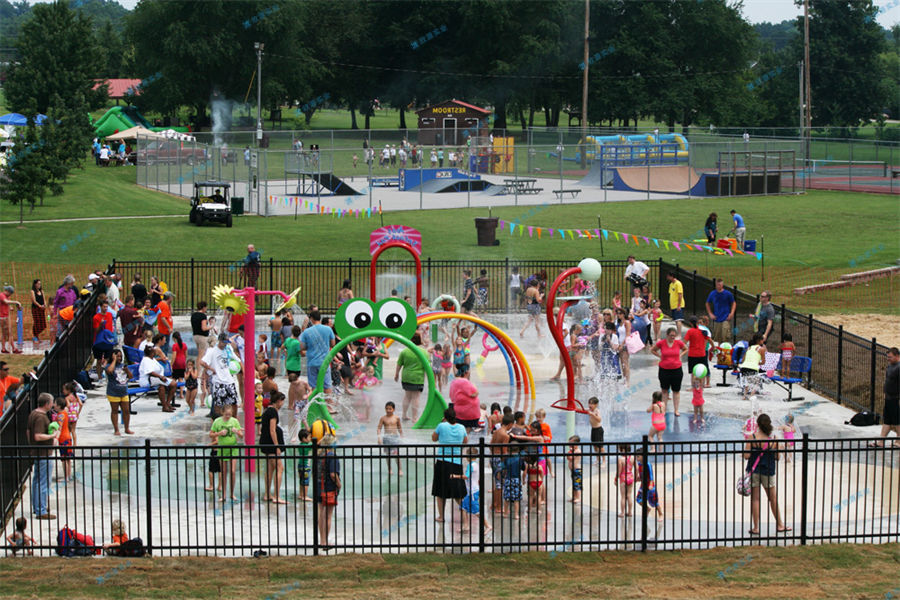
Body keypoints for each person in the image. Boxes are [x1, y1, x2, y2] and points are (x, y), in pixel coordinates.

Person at [744, 413, 790, 534]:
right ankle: (780, 524)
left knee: (755, 499)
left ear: (757, 425)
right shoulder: (774, 439)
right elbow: (777, 457)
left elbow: (746, 456)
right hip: (768, 471)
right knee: (773, 498)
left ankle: (756, 527)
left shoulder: (752, 438)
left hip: (754, 471)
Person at [431, 407, 468, 523]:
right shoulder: (461, 427)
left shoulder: (441, 426)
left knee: (440, 491)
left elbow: (433, 438)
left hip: (442, 461)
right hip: (456, 462)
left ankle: (441, 516)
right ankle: (465, 513)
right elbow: (465, 441)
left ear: (445, 417)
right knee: (457, 491)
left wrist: (442, 423)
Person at [27, 393, 59, 519]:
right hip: (44, 453)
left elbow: (29, 432)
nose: (52, 404)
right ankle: (41, 510)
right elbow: (37, 436)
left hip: (37, 452)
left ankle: (38, 506)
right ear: (47, 404)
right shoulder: (41, 417)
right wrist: (53, 436)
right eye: (51, 402)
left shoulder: (33, 413)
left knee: (37, 481)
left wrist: (32, 446)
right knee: (43, 482)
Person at [201, 333, 240, 418]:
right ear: (220, 341)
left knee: (234, 402)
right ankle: (218, 421)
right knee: (218, 404)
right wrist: (211, 369)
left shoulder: (228, 349)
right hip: (218, 380)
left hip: (229, 380)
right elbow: (202, 362)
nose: (225, 344)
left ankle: (234, 420)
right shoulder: (212, 351)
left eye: (227, 342)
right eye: (224, 342)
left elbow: (238, 359)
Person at [210, 404, 243, 501]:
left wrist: (237, 432)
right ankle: (224, 494)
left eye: (230, 414)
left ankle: (232, 493)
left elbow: (241, 436)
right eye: (226, 414)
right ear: (222, 413)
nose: (228, 416)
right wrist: (219, 433)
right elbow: (210, 434)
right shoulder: (217, 421)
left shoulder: (235, 421)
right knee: (224, 472)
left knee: (232, 471)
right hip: (222, 448)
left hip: (233, 448)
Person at [652, 328, 687, 416]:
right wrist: (659, 356)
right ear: (667, 335)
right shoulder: (662, 343)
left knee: (676, 390)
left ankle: (676, 410)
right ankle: (663, 410)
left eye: (674, 336)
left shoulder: (678, 343)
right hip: (664, 369)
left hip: (676, 369)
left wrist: (680, 355)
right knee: (664, 391)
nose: (672, 337)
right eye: (671, 335)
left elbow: (686, 349)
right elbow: (652, 349)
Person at [300, 310, 335, 397]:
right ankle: (328, 406)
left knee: (314, 387)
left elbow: (302, 347)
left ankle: (316, 406)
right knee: (327, 385)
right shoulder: (328, 329)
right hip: (324, 362)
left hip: (312, 362)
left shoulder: (307, 332)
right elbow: (333, 344)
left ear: (311, 319)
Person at [315, 433, 341, 550]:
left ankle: (321, 540)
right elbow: (333, 474)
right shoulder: (332, 456)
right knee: (329, 515)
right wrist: (339, 484)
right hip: (329, 487)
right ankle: (325, 541)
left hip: (318, 487)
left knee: (320, 513)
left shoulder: (319, 455)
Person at [260, 391, 286, 504]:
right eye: (283, 401)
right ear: (279, 401)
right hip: (271, 444)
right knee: (280, 467)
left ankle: (267, 494)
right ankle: (276, 496)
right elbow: (272, 430)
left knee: (270, 469)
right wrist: (277, 446)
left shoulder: (268, 411)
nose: (283, 404)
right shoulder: (273, 412)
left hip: (266, 442)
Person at [872, 347, 900, 448]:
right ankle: (881, 441)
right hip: (888, 397)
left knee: (897, 420)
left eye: (890, 357)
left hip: (895, 398)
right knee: (887, 420)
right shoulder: (890, 366)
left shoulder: (898, 367)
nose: (888, 359)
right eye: (887, 357)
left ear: (897, 356)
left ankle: (899, 440)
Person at [395, 333, 426, 422]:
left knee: (407, 395)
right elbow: (427, 366)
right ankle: (414, 417)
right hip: (418, 377)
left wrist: (396, 374)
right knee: (416, 397)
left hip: (406, 376)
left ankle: (404, 415)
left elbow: (399, 364)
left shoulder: (405, 351)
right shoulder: (423, 352)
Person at [139, 345, 176, 412]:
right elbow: (150, 372)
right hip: (148, 381)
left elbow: (153, 360)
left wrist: (160, 359)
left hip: (154, 379)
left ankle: (166, 404)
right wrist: (160, 377)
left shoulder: (150, 358)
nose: (155, 353)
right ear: (151, 353)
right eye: (154, 352)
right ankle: (166, 405)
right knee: (173, 384)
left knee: (162, 387)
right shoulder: (146, 360)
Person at [106, 348, 133, 436]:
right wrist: (114, 361)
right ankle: (116, 429)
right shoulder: (109, 365)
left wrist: (127, 371)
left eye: (120, 356)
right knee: (115, 411)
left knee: (126, 410)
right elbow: (109, 371)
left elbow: (131, 377)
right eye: (117, 356)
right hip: (113, 392)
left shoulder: (123, 365)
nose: (119, 358)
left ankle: (126, 428)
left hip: (123, 391)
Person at [377, 401, 404, 476]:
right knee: (388, 455)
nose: (388, 410)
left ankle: (400, 469)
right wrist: (379, 437)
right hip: (386, 438)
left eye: (390, 409)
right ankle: (389, 469)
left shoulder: (396, 418)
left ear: (393, 409)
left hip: (394, 438)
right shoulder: (383, 418)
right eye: (386, 409)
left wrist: (401, 435)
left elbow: (399, 427)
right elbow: (379, 428)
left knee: (396, 455)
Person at [705, 278, 736, 344]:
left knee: (725, 335)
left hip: (725, 317)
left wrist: (732, 313)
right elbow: (707, 303)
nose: (719, 286)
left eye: (720, 284)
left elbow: (733, 302)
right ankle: (718, 350)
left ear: (722, 285)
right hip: (717, 318)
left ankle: (725, 349)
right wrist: (710, 313)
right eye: (718, 284)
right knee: (717, 337)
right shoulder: (713, 294)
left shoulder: (727, 294)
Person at [684, 316, 710, 387]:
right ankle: (702, 386)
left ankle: (694, 387)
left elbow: (684, 343)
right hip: (702, 354)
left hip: (692, 354)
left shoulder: (690, 331)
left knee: (693, 372)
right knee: (703, 370)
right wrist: (711, 347)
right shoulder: (703, 331)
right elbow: (709, 340)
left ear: (690, 323)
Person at [52, 275, 77, 340]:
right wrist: (55, 313)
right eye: (71, 283)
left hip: (70, 313)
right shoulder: (60, 292)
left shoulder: (72, 292)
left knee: (70, 329)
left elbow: (75, 301)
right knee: (60, 330)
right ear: (68, 283)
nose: (72, 285)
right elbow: (55, 303)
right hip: (62, 313)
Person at [0, 285, 22, 354]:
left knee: (4, 333)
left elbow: (7, 304)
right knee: (9, 333)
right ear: (7, 291)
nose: (10, 295)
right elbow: (6, 302)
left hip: (6, 316)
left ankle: (3, 349)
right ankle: (14, 348)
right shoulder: (1, 295)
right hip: (2, 317)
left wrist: (10, 308)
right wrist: (16, 302)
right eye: (10, 293)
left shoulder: (7, 296)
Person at [615, 443, 635, 517]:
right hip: (630, 476)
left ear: (623, 450)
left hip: (623, 477)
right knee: (629, 495)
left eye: (620, 450)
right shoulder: (633, 458)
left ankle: (622, 512)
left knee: (623, 496)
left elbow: (619, 470)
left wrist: (616, 478)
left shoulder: (621, 459)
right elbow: (636, 468)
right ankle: (630, 512)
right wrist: (635, 477)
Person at [29, 279, 47, 347]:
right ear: (35, 284)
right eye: (38, 284)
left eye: (40, 284)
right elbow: (34, 301)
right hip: (36, 308)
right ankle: (35, 336)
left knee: (42, 323)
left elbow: (44, 299)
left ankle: (37, 335)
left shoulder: (42, 291)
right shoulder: (32, 291)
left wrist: (44, 305)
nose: (39, 285)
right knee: (37, 322)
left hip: (42, 309)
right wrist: (39, 306)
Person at [588, 396, 604, 465]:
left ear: (596, 404)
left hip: (598, 430)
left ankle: (604, 461)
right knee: (594, 446)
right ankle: (598, 460)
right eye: (589, 403)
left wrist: (593, 415)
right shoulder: (590, 410)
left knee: (600, 447)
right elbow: (582, 409)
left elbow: (599, 420)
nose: (590, 405)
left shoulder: (597, 411)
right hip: (593, 429)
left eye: (591, 404)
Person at [567, 436, 582, 503]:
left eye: (571, 443)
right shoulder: (573, 450)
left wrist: (570, 451)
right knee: (574, 484)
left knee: (577, 484)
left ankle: (578, 498)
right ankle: (574, 497)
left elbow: (570, 458)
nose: (570, 445)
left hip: (577, 470)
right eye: (569, 443)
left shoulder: (577, 451)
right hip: (572, 470)